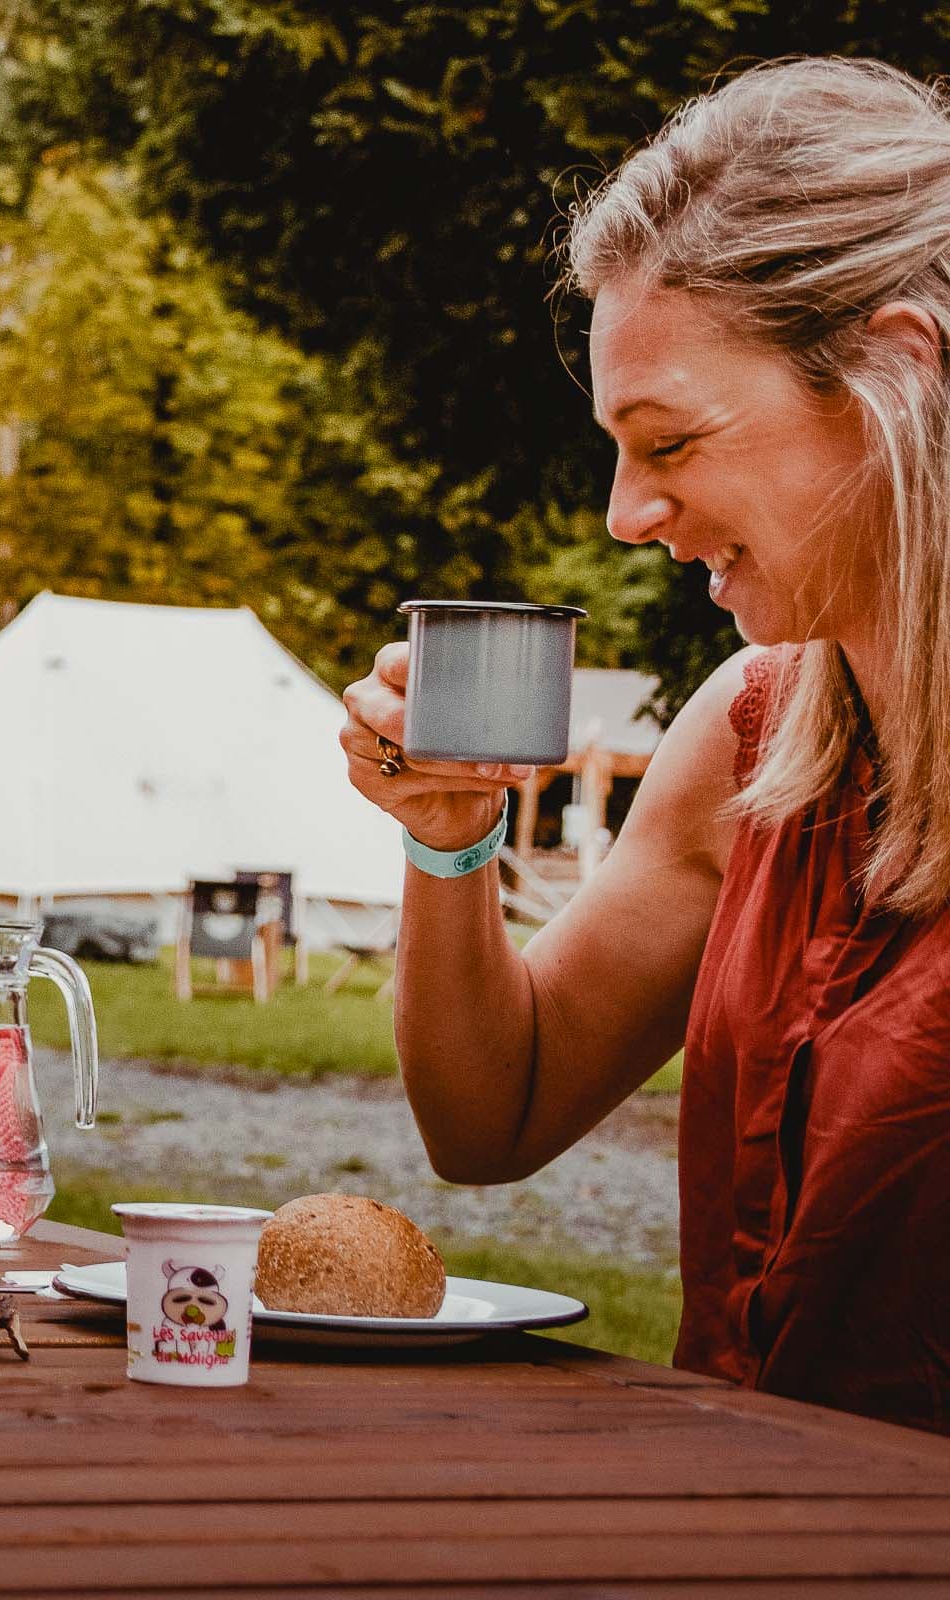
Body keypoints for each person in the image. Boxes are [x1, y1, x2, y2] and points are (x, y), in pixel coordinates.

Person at [341, 58, 950, 1434]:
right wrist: (450, 845)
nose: (626, 514)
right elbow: (494, 1118)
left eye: (669, 441)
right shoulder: (749, 734)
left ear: (899, 374)